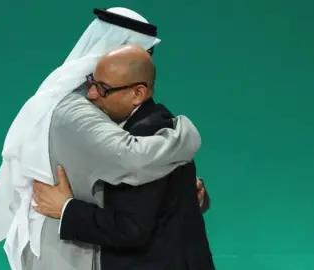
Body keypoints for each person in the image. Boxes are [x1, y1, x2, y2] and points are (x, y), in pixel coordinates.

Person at [0, 7, 201, 270]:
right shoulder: (76, 110)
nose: (147, 63)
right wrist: (186, 136)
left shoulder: (90, 102)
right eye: (144, 54)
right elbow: (133, 158)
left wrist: (178, 191)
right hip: (65, 250)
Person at [33, 45, 215, 270]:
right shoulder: (158, 119)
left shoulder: (143, 134)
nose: (91, 95)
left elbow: (131, 230)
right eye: (92, 82)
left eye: (103, 89)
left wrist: (66, 209)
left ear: (137, 93)